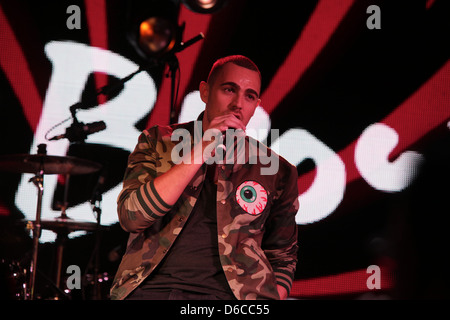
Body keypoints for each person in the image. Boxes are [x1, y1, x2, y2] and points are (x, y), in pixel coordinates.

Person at [109, 55, 299, 300]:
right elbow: (131, 217)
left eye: (249, 96)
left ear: (256, 105)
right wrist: (202, 148)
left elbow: (283, 255)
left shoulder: (277, 170)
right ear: (205, 92)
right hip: (152, 290)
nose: (238, 104)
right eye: (229, 90)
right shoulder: (158, 141)